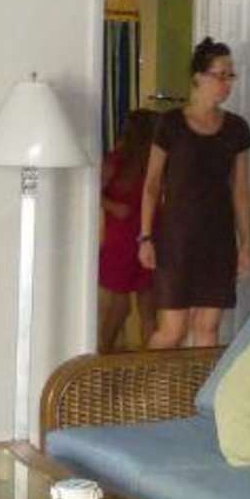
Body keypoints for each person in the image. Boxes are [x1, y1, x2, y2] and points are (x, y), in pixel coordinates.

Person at [139, 38, 250, 348]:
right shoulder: (170, 124)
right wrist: (145, 237)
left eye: (231, 76)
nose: (227, 83)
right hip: (176, 239)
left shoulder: (237, 128)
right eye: (220, 75)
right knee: (172, 331)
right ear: (198, 77)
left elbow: (241, 191)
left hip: (218, 240)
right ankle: (146, 381)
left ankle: (199, 383)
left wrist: (246, 243)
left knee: (208, 328)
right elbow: (152, 185)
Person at [96, 108, 158, 352]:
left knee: (145, 306)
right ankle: (104, 354)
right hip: (123, 238)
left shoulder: (154, 162)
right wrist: (114, 207)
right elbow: (92, 193)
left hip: (145, 236)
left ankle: (145, 362)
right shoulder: (116, 160)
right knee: (123, 306)